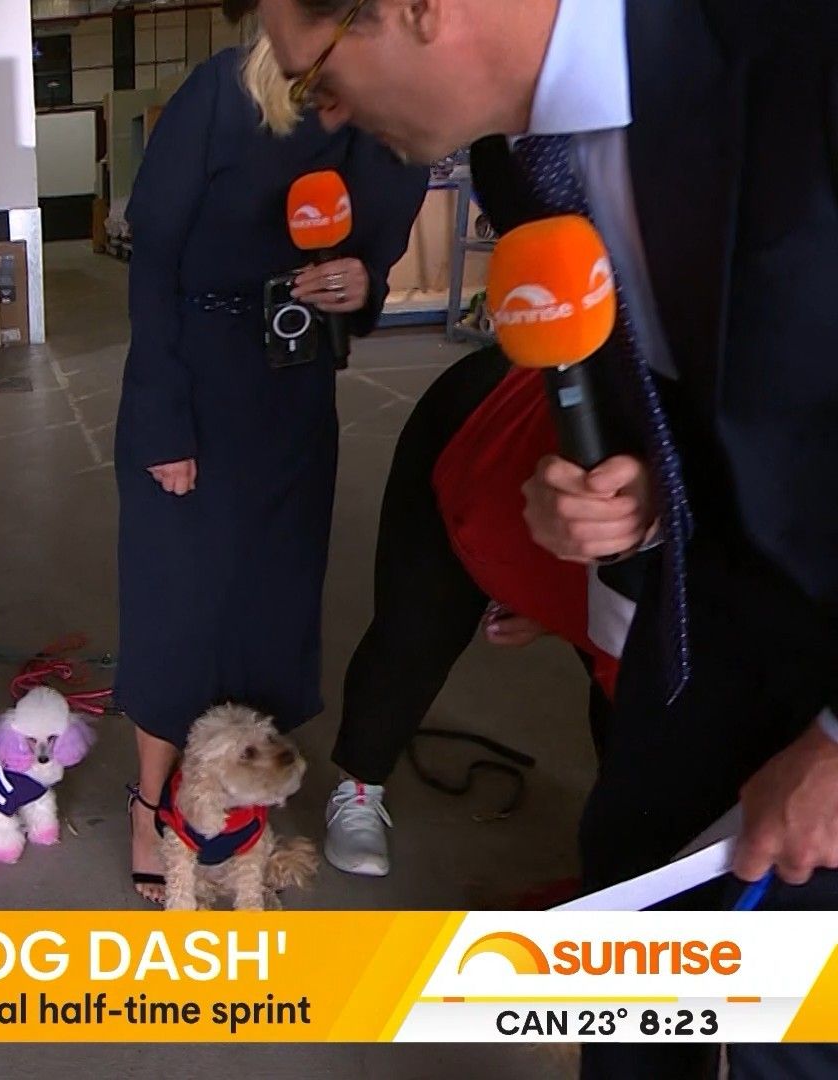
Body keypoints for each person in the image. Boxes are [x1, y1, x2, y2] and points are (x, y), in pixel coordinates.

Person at [255, 0, 838, 1075]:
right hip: (694, 651)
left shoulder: (800, 53)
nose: (323, 114)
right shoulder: (521, 165)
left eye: (314, 77)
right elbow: (729, 399)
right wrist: (646, 497)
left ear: (419, 8)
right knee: (630, 1005)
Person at [114, 36, 427, 904]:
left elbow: (376, 254)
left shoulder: (394, 115)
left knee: (269, 605)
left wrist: (361, 284)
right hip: (194, 376)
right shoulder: (221, 94)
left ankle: (242, 805)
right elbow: (153, 262)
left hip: (293, 386)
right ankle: (152, 805)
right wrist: (160, 417)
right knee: (179, 607)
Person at [325, 346, 625, 876]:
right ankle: (358, 784)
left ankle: (626, 828)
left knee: (633, 712)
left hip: (614, 554)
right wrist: (540, 597)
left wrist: (554, 615)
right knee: (417, 628)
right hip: (473, 437)